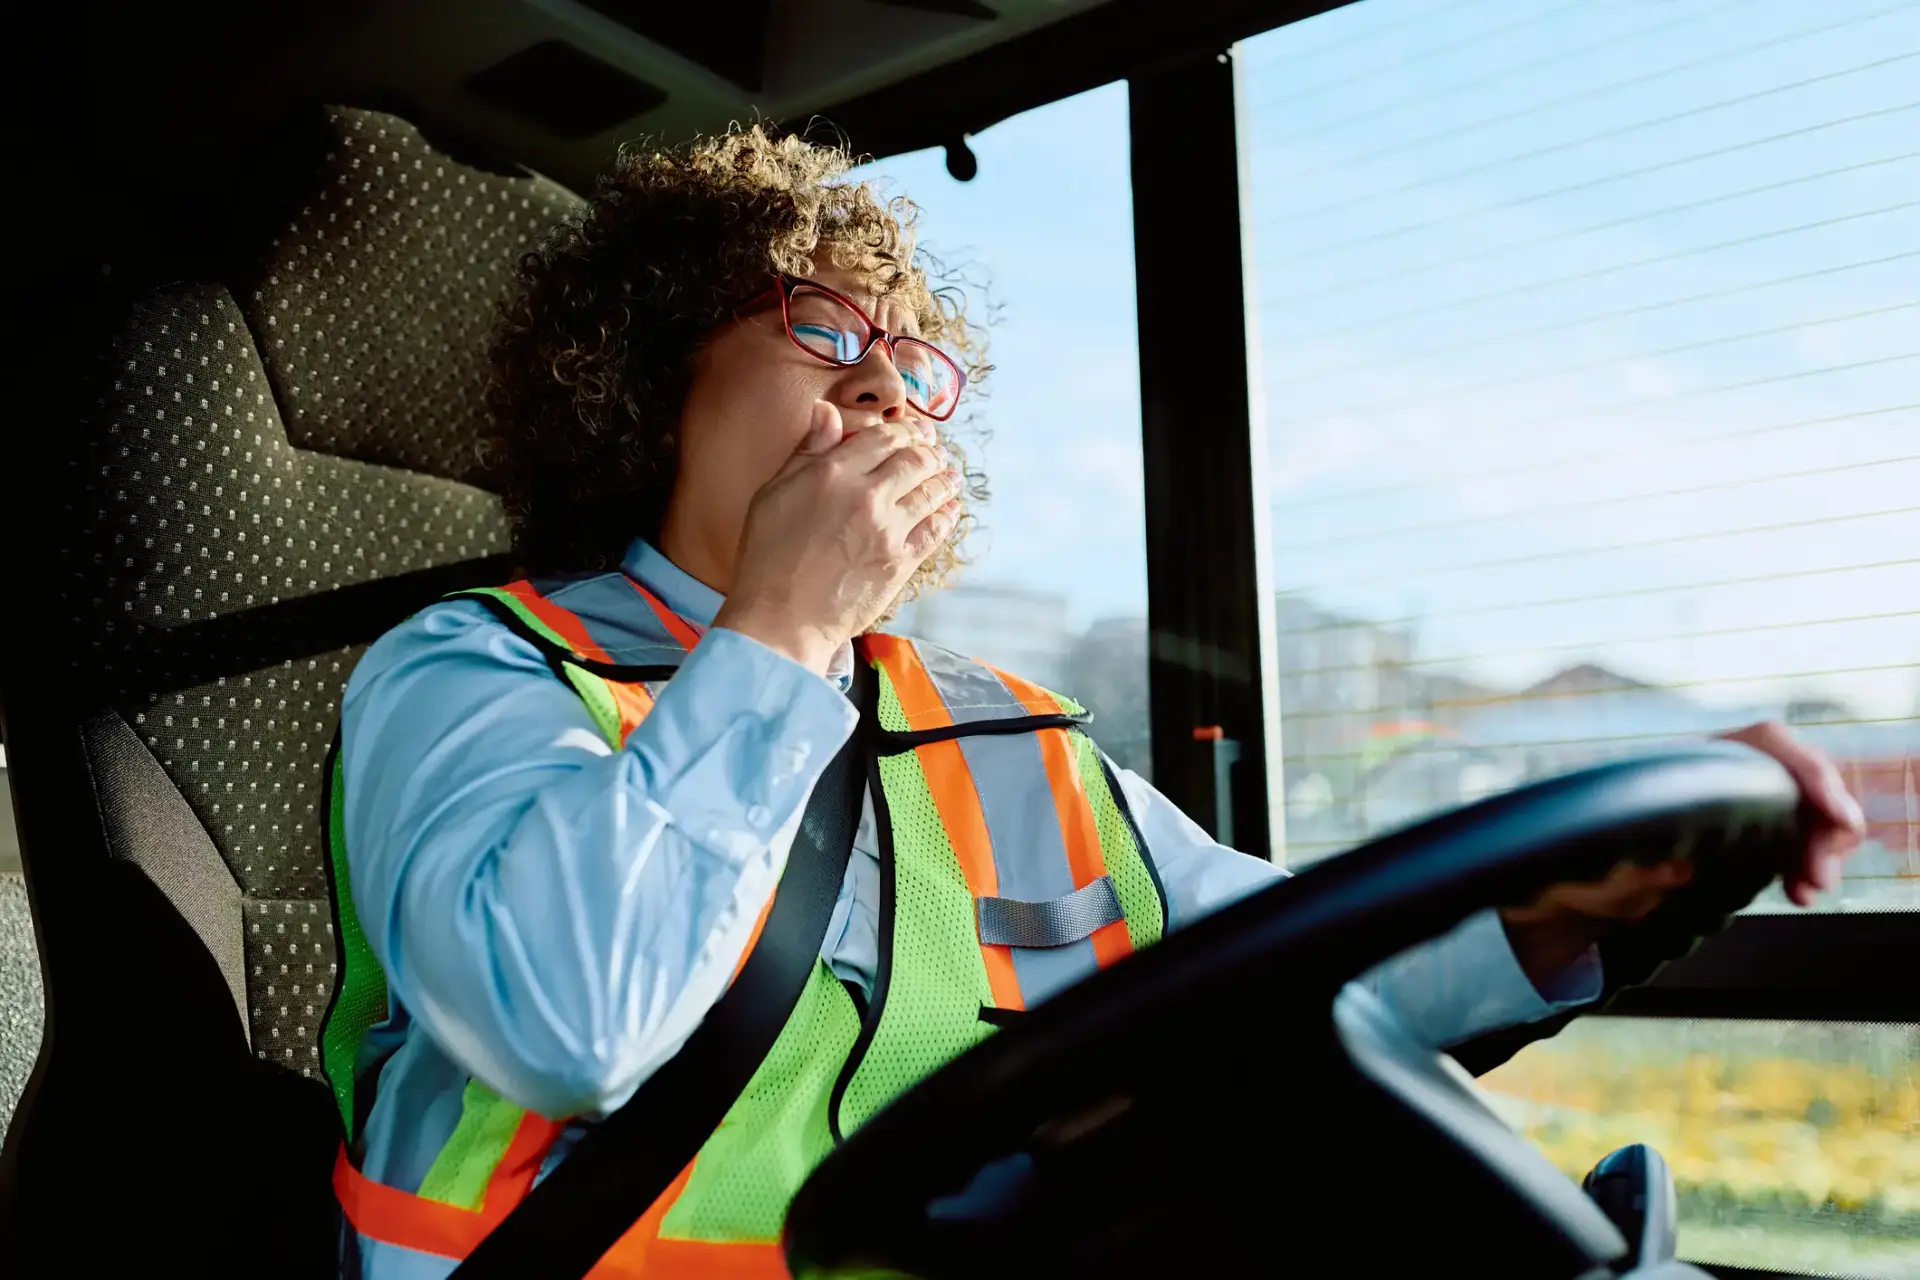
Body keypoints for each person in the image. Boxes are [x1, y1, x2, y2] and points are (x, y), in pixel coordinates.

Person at [327, 124, 1867, 1279]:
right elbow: (567, 1023)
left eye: (916, 369)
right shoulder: (473, 671)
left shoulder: (1005, 735)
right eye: (819, 332)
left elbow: (1302, 975)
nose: (880, 385)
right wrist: (786, 623)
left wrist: (1567, 902)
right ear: (650, 379)